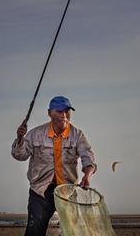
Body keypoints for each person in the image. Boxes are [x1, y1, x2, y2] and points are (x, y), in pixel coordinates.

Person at [12, 96, 97, 236]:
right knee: (35, 230)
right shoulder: (36, 134)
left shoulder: (77, 135)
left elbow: (88, 157)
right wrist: (20, 138)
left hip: (67, 191)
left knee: (72, 231)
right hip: (40, 191)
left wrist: (87, 176)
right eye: (59, 111)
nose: (64, 115)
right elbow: (19, 155)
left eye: (67, 111)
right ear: (49, 113)